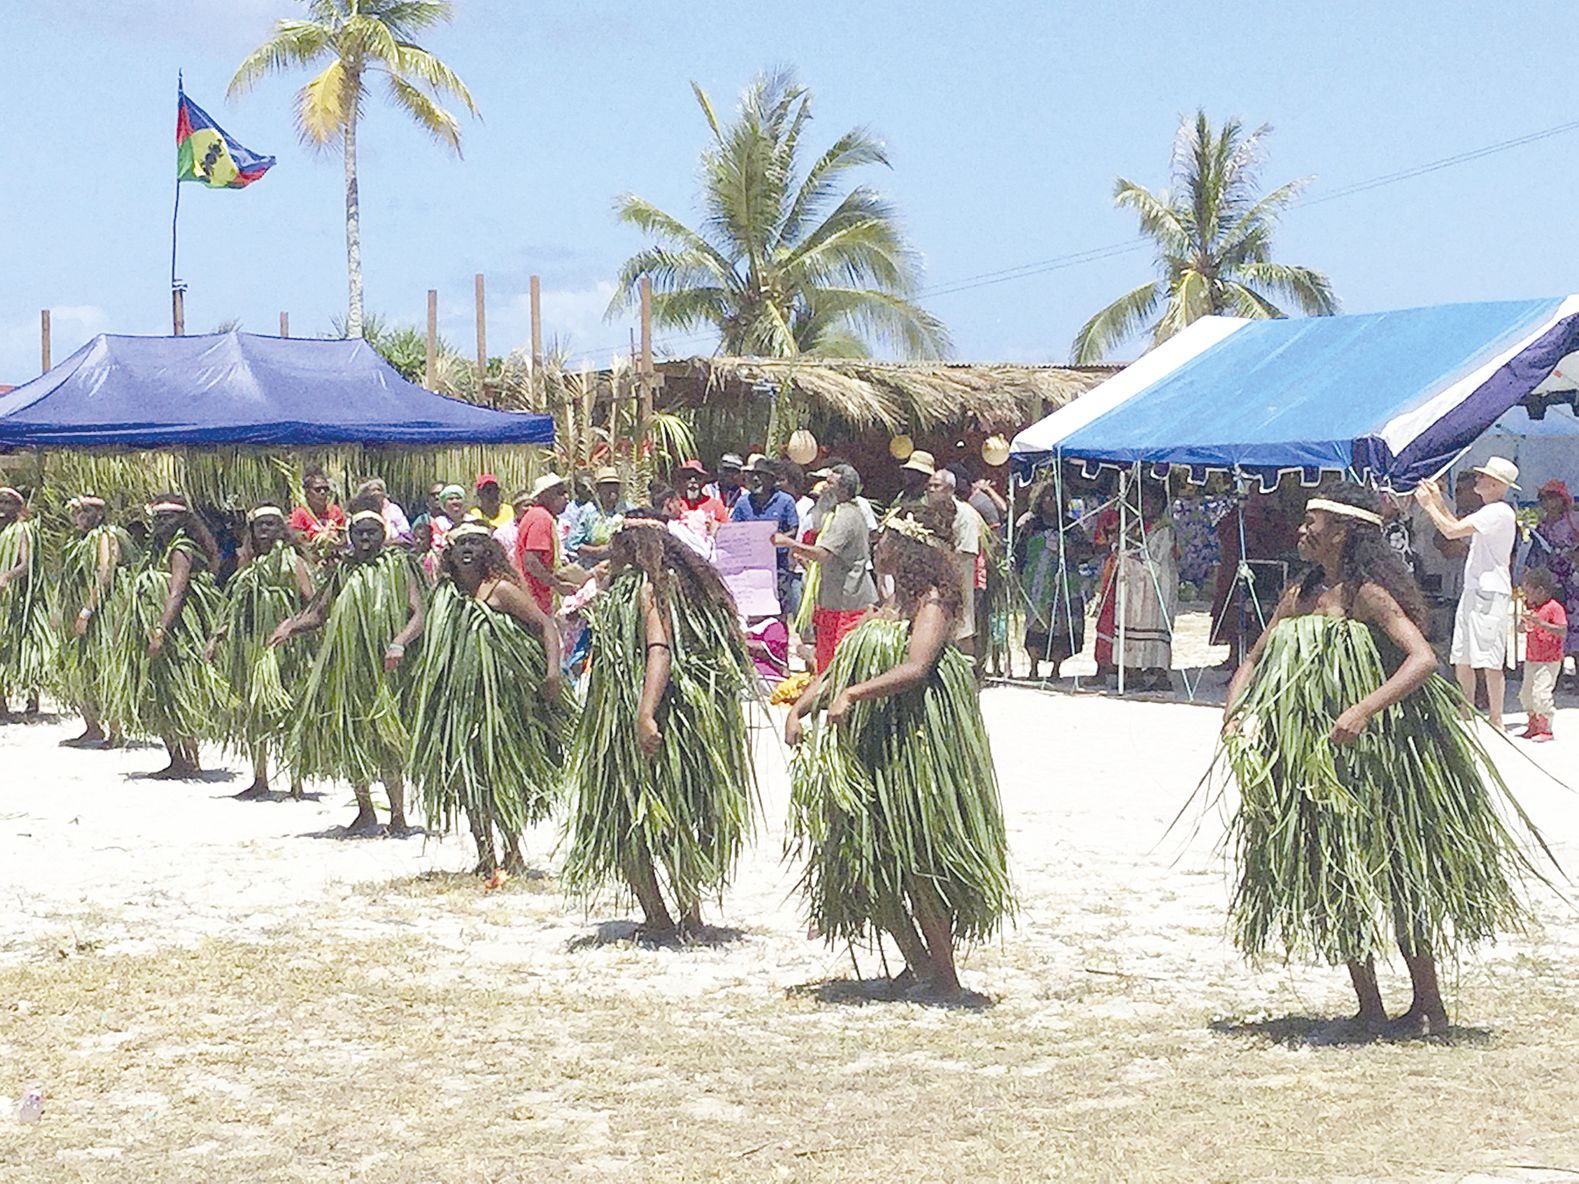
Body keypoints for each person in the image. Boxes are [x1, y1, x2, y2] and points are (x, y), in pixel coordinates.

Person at [1219, 485, 1543, 1036]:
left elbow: (1422, 658)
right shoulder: (1300, 593)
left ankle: (1428, 1005)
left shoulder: (1366, 595)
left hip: (1377, 758)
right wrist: (1233, 714)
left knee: (1397, 874)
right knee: (1335, 872)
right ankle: (1368, 1007)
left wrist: (1362, 709)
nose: (1302, 530)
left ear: (1344, 532)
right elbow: (1254, 658)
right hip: (1315, 760)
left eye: (1314, 522)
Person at [784, 509, 1013, 1001]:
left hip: (916, 743)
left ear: (907, 549)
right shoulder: (888, 601)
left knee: (918, 859)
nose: (876, 545)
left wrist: (854, 695)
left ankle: (945, 979)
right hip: (878, 743)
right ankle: (920, 965)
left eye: (884, 539)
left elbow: (916, 667)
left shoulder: (932, 601)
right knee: (874, 857)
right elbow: (842, 665)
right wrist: (801, 707)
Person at [563, 513, 758, 939]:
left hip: (649, 713)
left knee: (629, 813)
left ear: (633, 546)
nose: (610, 548)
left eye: (617, 541)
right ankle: (685, 916)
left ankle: (662, 917)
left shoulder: (651, 589)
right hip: (665, 715)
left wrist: (645, 713)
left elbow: (659, 649)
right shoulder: (678, 584)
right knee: (671, 813)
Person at [407, 524, 573, 874]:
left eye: (475, 543)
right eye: (461, 544)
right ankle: (485, 855)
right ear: (450, 553)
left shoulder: (501, 590)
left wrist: (552, 673)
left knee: (499, 772)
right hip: (459, 702)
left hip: (500, 700)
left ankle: (512, 851)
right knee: (469, 776)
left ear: (488, 551)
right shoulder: (445, 594)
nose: (467, 549)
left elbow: (544, 624)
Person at [272, 494, 425, 835]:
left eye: (372, 532)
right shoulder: (343, 570)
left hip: (387, 668)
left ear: (383, 534)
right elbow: (319, 613)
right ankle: (365, 811)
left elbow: (419, 614)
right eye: (359, 533)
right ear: (350, 535)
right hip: (350, 666)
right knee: (352, 733)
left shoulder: (398, 567)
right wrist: (291, 627)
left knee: (387, 741)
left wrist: (400, 641)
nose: (366, 539)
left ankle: (398, 816)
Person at [103, 494, 229, 779]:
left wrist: (160, 629)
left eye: (168, 517)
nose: (162, 522)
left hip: (177, 631)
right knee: (161, 692)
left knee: (176, 689)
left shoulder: (180, 549)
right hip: (157, 626)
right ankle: (177, 759)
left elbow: (177, 592)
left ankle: (189, 760)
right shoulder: (157, 547)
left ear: (182, 520)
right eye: (158, 517)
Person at [210, 504, 316, 799]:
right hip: (252, 644)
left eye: (271, 524)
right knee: (254, 709)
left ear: (282, 528)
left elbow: (311, 601)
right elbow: (236, 604)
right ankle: (260, 778)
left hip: (287, 646)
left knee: (291, 710)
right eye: (260, 525)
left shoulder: (292, 562)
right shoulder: (248, 564)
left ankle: (296, 780)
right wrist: (216, 638)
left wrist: (291, 625)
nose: (266, 530)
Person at [1414, 458, 1519, 731]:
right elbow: (1454, 525)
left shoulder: (1498, 511)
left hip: (1489, 590)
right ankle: (1466, 708)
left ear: (1495, 484)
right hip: (1475, 589)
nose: (1477, 480)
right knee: (1463, 655)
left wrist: (1428, 505)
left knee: (1490, 657)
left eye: (1482, 477)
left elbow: (1451, 531)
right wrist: (1438, 501)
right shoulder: (1490, 512)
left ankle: (1496, 716)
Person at [775, 464, 878, 671]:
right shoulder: (834, 514)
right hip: (833, 601)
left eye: (829, 483)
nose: (823, 487)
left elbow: (823, 554)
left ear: (844, 489)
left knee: (838, 663)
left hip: (847, 604)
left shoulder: (846, 516)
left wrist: (789, 543)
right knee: (826, 660)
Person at [56, 494, 138, 746]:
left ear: (99, 515)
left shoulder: (106, 536)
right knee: (79, 667)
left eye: (85, 512)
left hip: (104, 609)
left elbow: (106, 572)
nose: (79, 517)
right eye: (77, 512)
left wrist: (87, 610)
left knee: (106, 665)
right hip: (80, 606)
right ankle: (92, 727)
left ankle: (115, 731)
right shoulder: (78, 540)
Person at [1014, 481, 1088, 680]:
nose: (1051, 501)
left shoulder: (1071, 525)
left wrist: (1069, 549)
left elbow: (1086, 551)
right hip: (1037, 585)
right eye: (1047, 497)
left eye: (1055, 497)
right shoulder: (1030, 524)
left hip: (1064, 584)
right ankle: (1033, 668)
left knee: (1062, 624)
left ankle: (1056, 668)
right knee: (1036, 623)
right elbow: (1018, 549)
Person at [0, 486, 49, 722]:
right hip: (3, 604)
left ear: (19, 507)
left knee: (27, 649)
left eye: (7, 503)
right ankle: (2, 703)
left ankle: (32, 699)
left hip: (22, 602)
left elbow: (25, 563)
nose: (2, 508)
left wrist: (6, 576)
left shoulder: (22, 530)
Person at [730, 455, 800, 614]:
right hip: (749, 567)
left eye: (761, 475)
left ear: (771, 480)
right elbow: (734, 530)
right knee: (752, 612)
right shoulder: (742, 502)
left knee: (778, 610)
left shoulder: (786, 501)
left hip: (778, 567)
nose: (756, 479)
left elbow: (793, 530)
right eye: (753, 475)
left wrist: (779, 540)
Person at [925, 467, 981, 655]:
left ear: (950, 489)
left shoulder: (965, 514)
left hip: (958, 577)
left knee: (961, 628)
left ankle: (969, 667)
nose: (931, 489)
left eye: (937, 486)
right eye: (930, 486)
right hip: (934, 579)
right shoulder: (929, 513)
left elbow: (966, 555)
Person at [1525, 479, 1579, 672]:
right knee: (1552, 625)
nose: (1548, 502)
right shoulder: (1541, 526)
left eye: (1552, 497)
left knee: (1576, 625)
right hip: (1550, 583)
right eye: (1544, 498)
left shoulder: (1574, 520)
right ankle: (1554, 671)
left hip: (1574, 581)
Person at [514, 473, 583, 613]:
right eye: (560, 493)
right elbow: (531, 561)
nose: (566, 497)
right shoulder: (541, 519)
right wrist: (557, 585)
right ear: (546, 496)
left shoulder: (539, 516)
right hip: (534, 596)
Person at [1517, 566, 1566, 742]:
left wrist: (1542, 623)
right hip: (1532, 658)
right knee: (1526, 693)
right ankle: (1533, 722)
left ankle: (1546, 727)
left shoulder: (1554, 608)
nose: (1526, 596)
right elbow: (1522, 629)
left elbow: (1562, 630)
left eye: (1528, 592)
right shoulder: (1533, 608)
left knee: (1541, 693)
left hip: (1549, 660)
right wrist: (1523, 624)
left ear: (1540, 590)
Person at [567, 467, 631, 565]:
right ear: (598, 488)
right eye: (607, 486)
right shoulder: (587, 511)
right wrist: (597, 551)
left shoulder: (628, 509)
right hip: (593, 564)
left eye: (615, 485)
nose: (612, 490)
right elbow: (573, 544)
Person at [289, 465, 347, 547]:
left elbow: (344, 536)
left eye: (326, 489)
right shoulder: (300, 514)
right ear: (307, 492)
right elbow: (298, 541)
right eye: (318, 490)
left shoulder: (335, 511)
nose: (322, 492)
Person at [672, 460, 728, 533]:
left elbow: (727, 530)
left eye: (697, 478)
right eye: (688, 478)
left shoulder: (715, 505)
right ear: (681, 481)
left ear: (703, 481)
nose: (693, 481)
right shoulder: (676, 505)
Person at [355, 477, 412, 545]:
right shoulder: (359, 510)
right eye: (373, 490)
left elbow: (405, 532)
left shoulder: (393, 509)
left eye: (379, 489)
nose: (376, 492)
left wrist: (392, 542)